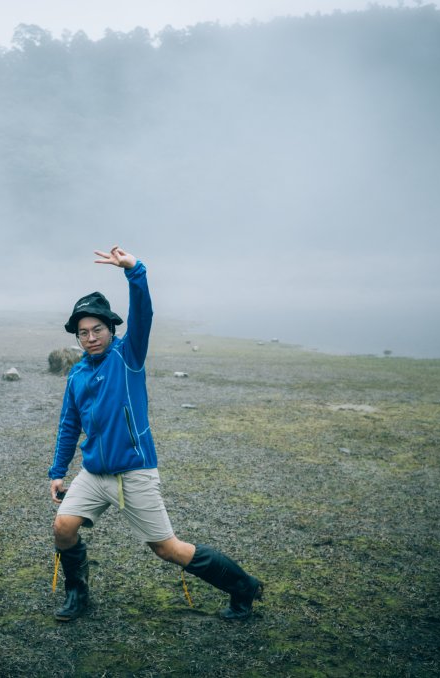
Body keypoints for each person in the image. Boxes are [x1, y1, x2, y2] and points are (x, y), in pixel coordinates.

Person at [49, 246, 263, 622]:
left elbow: (143, 314)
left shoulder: (127, 357)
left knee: (167, 548)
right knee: (63, 528)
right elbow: (69, 425)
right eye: (83, 333)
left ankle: (243, 588)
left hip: (135, 471)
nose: (91, 337)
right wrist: (56, 472)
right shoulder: (77, 375)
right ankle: (77, 594)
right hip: (94, 473)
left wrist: (135, 271)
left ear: (110, 329)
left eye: (97, 329)